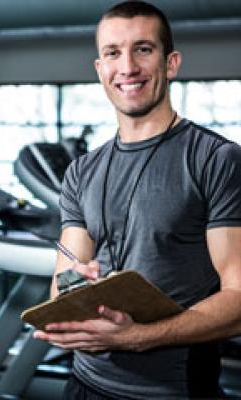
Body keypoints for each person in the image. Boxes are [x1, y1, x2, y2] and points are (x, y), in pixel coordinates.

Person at [33, 1, 241, 399]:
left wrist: (139, 337)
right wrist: (76, 289)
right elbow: (64, 281)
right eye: (113, 53)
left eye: (143, 49)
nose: (127, 67)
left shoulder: (216, 159)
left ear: (171, 63)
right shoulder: (81, 172)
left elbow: (239, 295)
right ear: (100, 70)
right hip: (84, 385)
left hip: (173, 389)